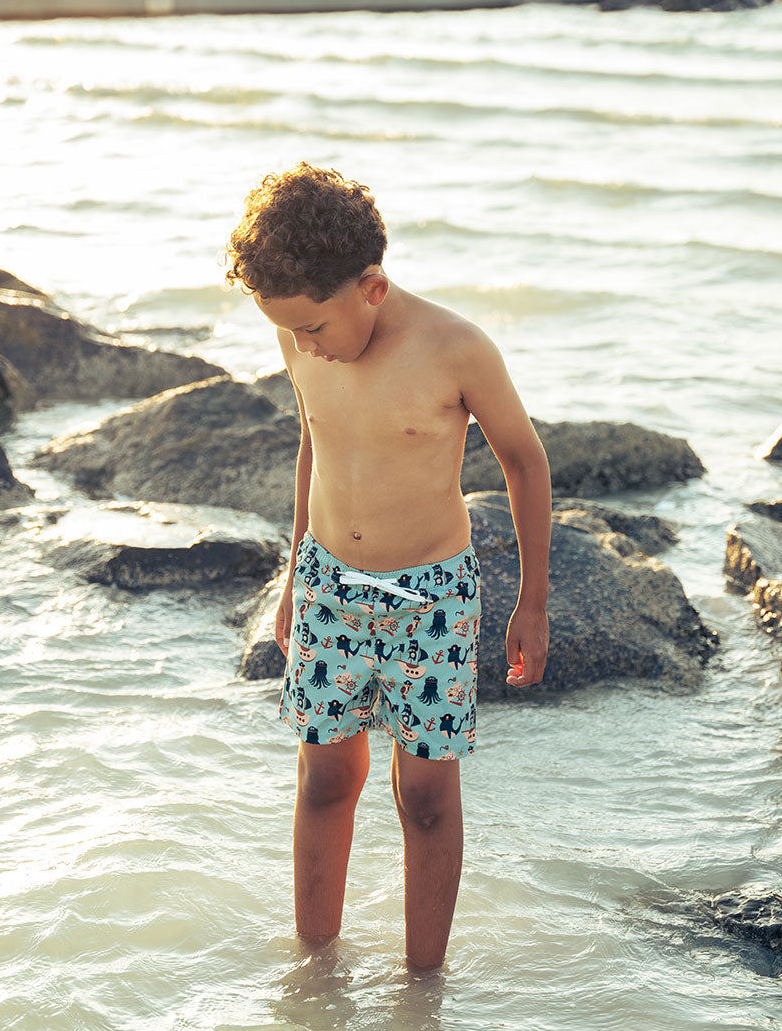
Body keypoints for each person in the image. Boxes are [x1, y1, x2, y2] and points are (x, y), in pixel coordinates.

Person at [225, 162, 551, 971]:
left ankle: (422, 988)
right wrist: (298, 573)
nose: (304, 346)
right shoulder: (301, 333)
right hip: (330, 586)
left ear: (370, 286)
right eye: (290, 331)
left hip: (431, 600)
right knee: (324, 781)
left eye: (313, 328)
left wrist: (532, 602)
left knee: (427, 798)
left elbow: (525, 462)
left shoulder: (456, 349)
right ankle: (314, 971)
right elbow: (314, 442)